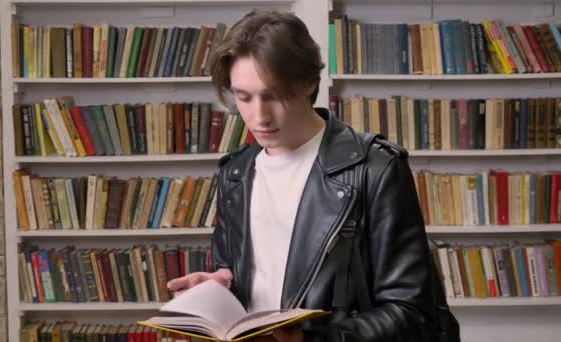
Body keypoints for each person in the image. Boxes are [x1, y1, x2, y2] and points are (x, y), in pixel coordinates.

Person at [167, 9, 437, 342]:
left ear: (309, 82)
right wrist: (217, 293)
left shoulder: (375, 169)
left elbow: (411, 312)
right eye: (243, 97)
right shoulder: (235, 173)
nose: (258, 116)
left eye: (273, 95)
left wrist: (311, 338)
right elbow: (246, 283)